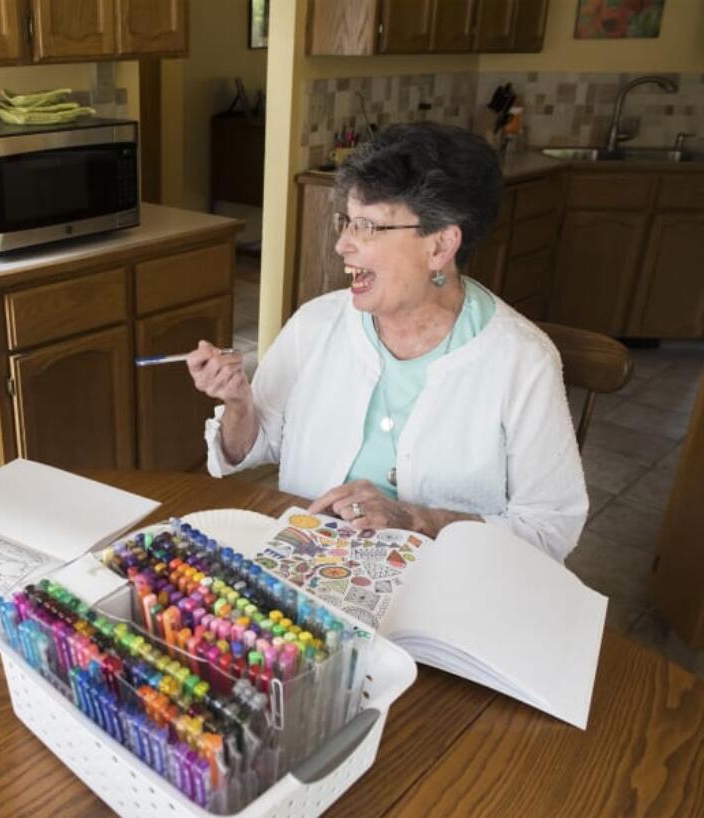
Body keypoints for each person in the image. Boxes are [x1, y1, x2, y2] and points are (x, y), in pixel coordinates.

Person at [188, 122, 586, 561]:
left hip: (448, 584)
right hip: (311, 572)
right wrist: (240, 404)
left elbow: (551, 528)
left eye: (368, 227)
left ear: (440, 246)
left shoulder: (522, 360)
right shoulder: (316, 324)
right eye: (347, 222)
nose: (342, 245)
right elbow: (252, 448)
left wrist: (416, 520)